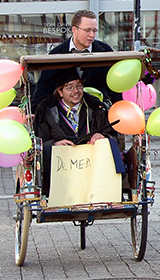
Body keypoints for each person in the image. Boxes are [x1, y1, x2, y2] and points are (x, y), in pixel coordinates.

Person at [33, 68, 128, 196]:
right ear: (60, 92)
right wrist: (54, 144)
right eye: (70, 87)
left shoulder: (95, 107)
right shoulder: (46, 110)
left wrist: (103, 136)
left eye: (79, 86)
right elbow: (38, 140)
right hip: (61, 168)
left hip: (93, 167)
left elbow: (112, 135)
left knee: (109, 145)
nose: (76, 91)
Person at [32, 10, 120, 106]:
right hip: (65, 114)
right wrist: (35, 112)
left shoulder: (104, 51)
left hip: (97, 113)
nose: (92, 35)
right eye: (87, 30)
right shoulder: (57, 54)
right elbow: (44, 88)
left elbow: (114, 87)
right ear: (74, 30)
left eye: (94, 31)